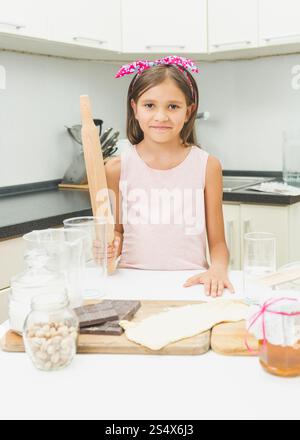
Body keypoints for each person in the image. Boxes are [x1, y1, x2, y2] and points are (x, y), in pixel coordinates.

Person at [95, 55, 235, 297]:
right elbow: (116, 231)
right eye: (150, 105)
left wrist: (219, 269)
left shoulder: (207, 166)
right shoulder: (116, 169)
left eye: (173, 106)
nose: (161, 116)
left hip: (190, 285)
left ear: (189, 111)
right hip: (131, 284)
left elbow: (218, 244)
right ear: (135, 109)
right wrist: (111, 246)